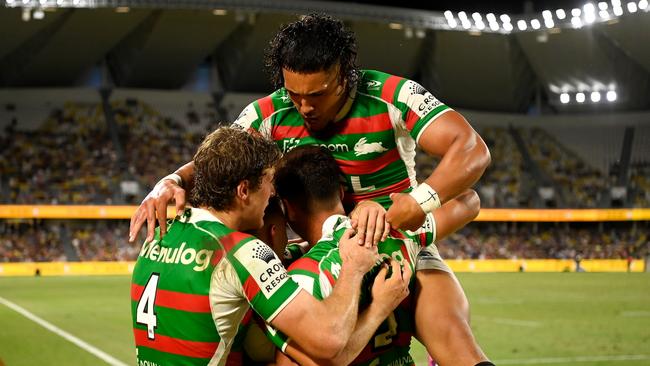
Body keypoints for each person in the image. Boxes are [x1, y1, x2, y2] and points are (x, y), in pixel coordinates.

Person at [129, 13, 491, 365]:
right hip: (325, 249)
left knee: (455, 341)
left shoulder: (392, 95)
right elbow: (225, 163)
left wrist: (416, 203)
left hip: (390, 235)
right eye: (293, 93)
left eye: (317, 94)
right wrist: (170, 181)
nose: (303, 106)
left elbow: (472, 149)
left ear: (345, 76)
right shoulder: (269, 113)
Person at [130, 127, 383, 365]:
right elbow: (329, 339)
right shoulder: (240, 251)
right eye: (268, 181)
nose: (272, 192)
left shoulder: (159, 236)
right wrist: (355, 269)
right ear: (243, 190)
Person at [265, 146, 491, 365]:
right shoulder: (395, 232)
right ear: (341, 193)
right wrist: (410, 204)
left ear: (288, 208)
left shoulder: (296, 278)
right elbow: (469, 200)